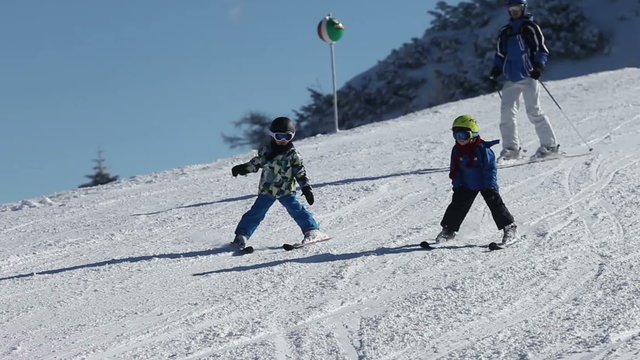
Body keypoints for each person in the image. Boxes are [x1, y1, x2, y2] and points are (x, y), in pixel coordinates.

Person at [230, 116, 325, 250]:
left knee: (297, 210)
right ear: (272, 135)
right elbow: (255, 164)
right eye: (279, 136)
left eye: (287, 136)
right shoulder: (266, 152)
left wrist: (306, 187)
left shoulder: (293, 155)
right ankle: (241, 237)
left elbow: (300, 172)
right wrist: (242, 168)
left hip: (286, 190)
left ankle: (312, 231)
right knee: (256, 213)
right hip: (267, 190)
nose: (282, 140)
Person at [489, 0, 558, 160]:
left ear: (523, 8)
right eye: (511, 8)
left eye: (517, 8)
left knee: (533, 111)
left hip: (528, 75)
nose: (514, 11)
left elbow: (541, 48)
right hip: (510, 78)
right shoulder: (505, 31)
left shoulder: (530, 27)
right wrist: (495, 72)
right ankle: (511, 149)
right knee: (506, 114)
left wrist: (538, 66)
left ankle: (549, 146)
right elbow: (500, 54)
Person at [435, 115, 517, 245]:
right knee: (457, 205)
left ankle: (509, 227)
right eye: (456, 135)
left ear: (473, 134)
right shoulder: (457, 150)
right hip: (467, 183)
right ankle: (449, 230)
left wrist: (490, 186)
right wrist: (457, 184)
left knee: (495, 203)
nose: (460, 139)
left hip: (485, 183)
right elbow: (455, 168)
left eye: (463, 135)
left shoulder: (483, 149)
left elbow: (490, 169)